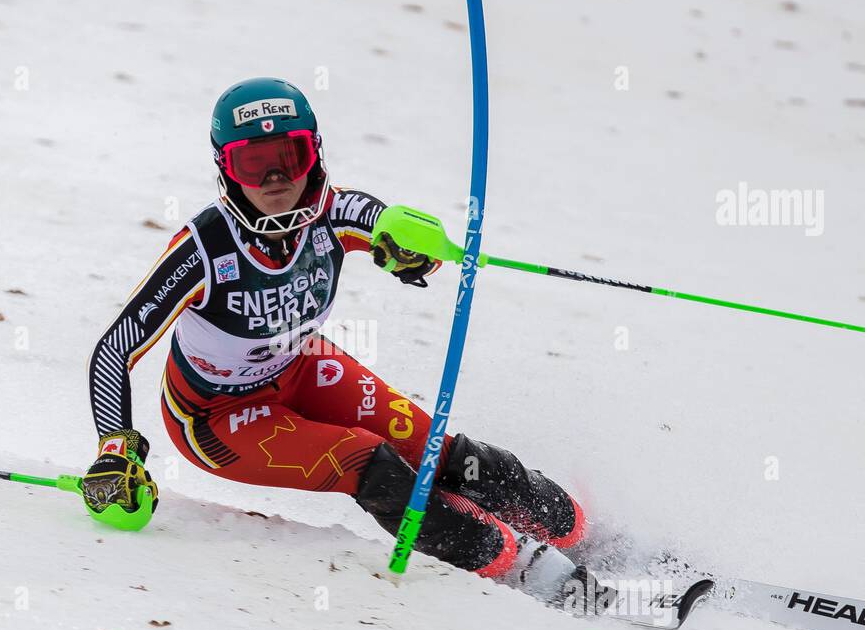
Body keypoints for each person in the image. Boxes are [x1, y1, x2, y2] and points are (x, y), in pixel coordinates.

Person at [82, 77, 585, 584]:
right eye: (253, 163)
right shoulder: (204, 250)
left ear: (314, 154)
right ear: (226, 170)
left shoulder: (333, 213)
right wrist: (115, 449)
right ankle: (528, 573)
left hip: (300, 366)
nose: (276, 177)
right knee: (374, 468)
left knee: (444, 453)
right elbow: (115, 347)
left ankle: (581, 532)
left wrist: (412, 244)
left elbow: (388, 225)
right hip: (217, 416)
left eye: (290, 156)